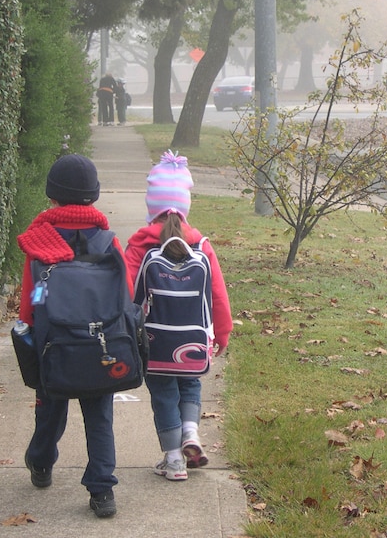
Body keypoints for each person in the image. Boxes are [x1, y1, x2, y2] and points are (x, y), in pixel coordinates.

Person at [16, 154, 133, 518]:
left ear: (52, 196)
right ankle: (102, 491)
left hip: (56, 344)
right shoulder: (108, 240)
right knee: (99, 417)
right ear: (93, 197)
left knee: (50, 410)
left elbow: (32, 295)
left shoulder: (40, 240)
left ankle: (41, 463)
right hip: (101, 346)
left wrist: (32, 325)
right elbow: (124, 293)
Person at [125, 151, 232, 481]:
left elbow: (126, 291)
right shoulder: (199, 243)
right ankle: (191, 435)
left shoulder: (141, 243)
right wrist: (223, 332)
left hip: (155, 342)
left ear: (151, 206)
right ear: (184, 206)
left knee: (163, 394)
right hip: (193, 339)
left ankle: (173, 461)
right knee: (190, 385)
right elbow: (217, 293)